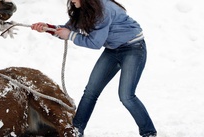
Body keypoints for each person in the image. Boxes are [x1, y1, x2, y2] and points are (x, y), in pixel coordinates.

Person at [31, 0, 157, 136]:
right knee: (91, 91)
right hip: (113, 49)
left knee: (126, 96)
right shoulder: (86, 8)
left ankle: (149, 132)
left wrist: (70, 35)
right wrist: (48, 28)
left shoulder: (103, 10)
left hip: (133, 48)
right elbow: (69, 29)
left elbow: (95, 42)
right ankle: (76, 131)